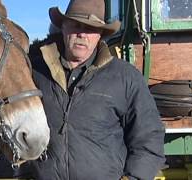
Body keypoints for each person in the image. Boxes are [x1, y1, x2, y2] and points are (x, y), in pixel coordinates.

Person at [28, 0, 166, 179]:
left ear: (100, 34)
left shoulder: (125, 77)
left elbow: (149, 139)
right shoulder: (34, 73)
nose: (82, 34)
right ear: (63, 27)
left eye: (90, 29)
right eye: (75, 25)